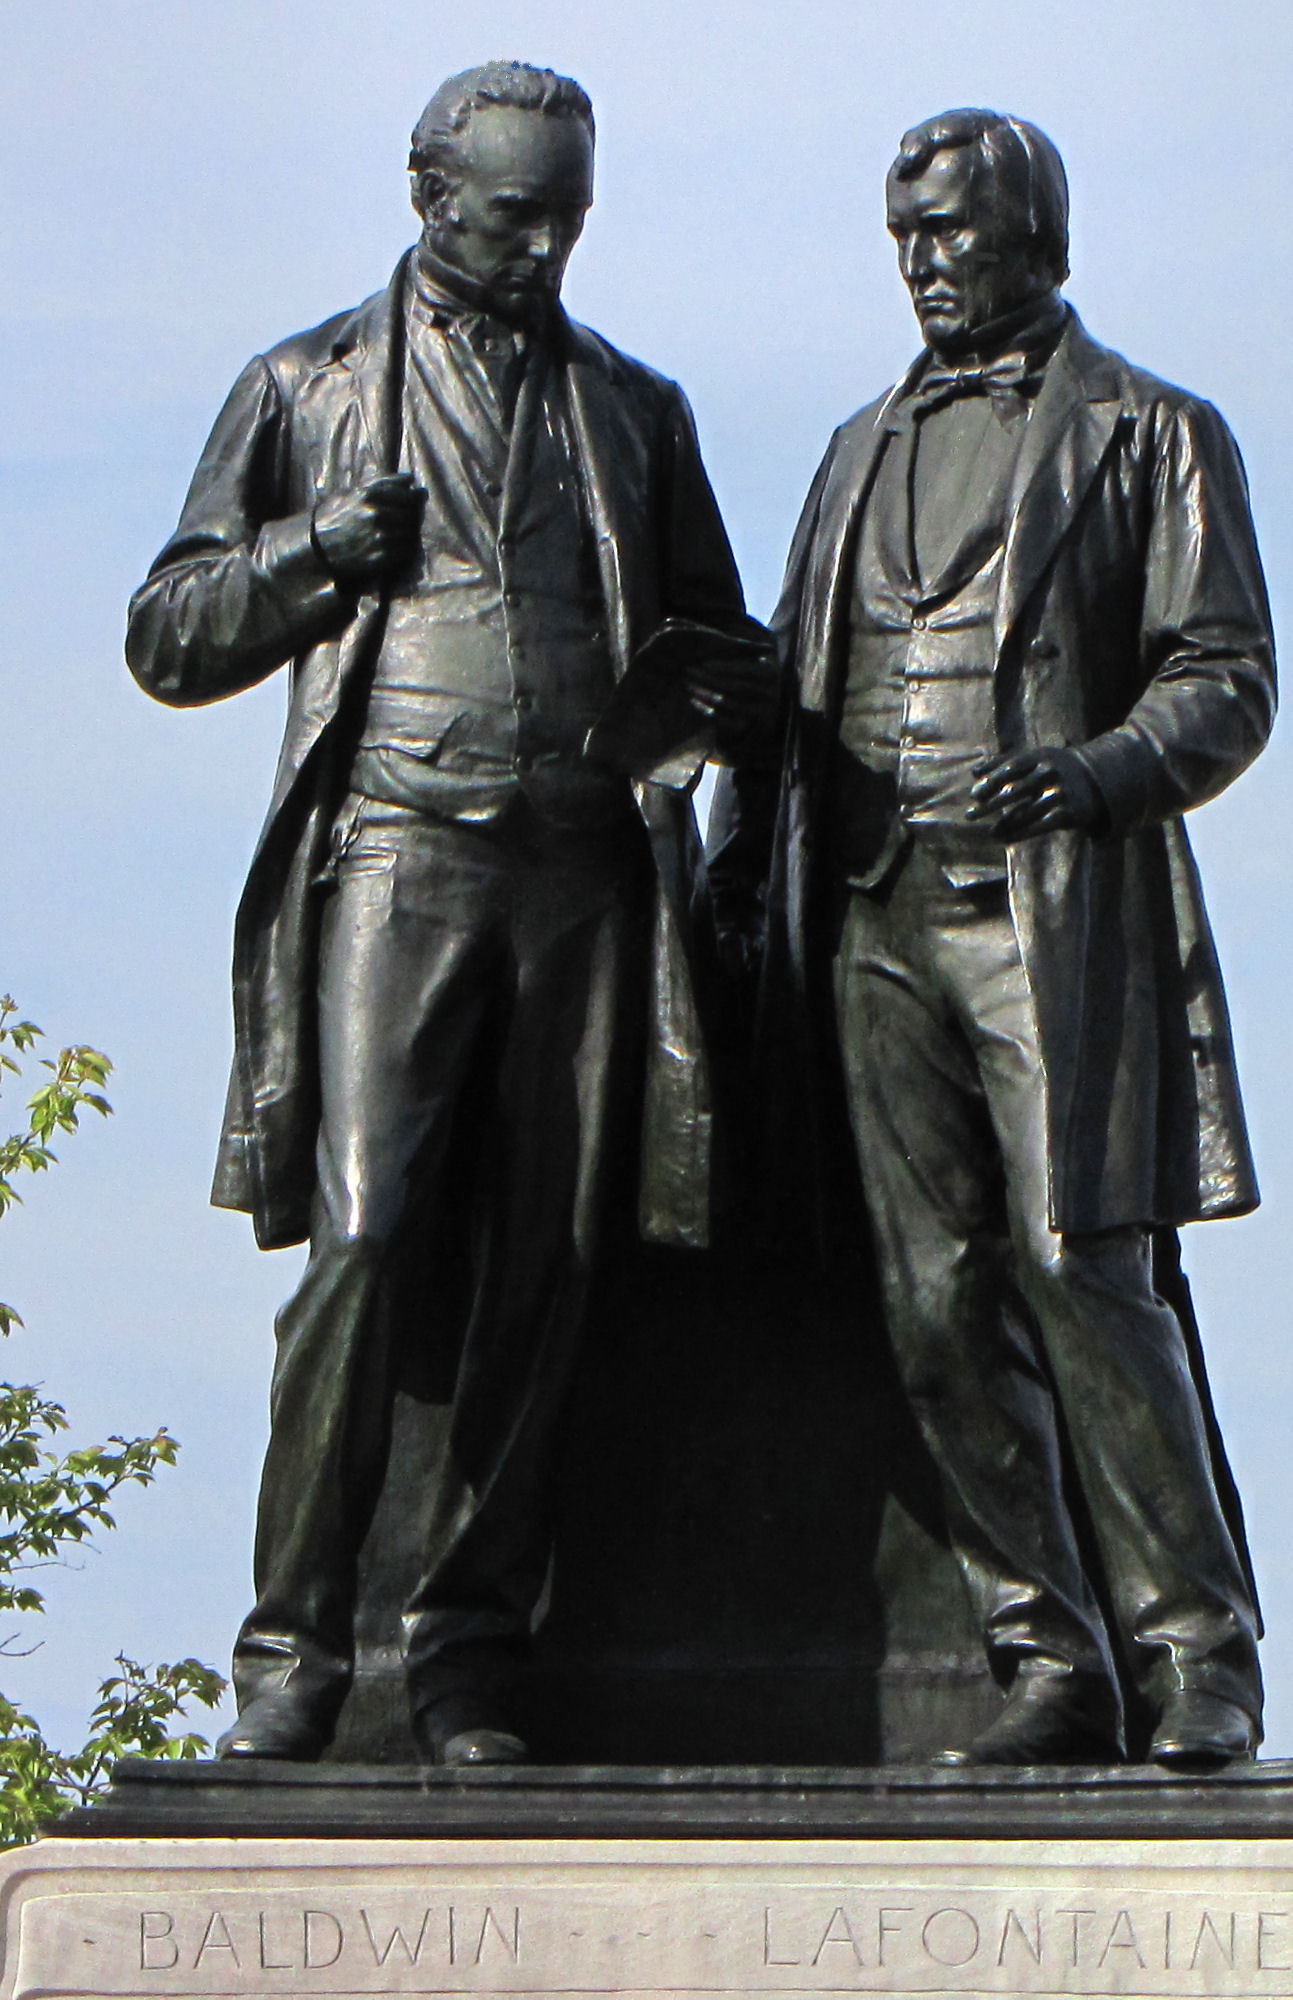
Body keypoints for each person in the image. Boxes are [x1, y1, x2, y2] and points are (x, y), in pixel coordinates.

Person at [128, 61, 768, 1765]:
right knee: (363, 1233)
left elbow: (722, 643)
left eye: (572, 216)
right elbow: (169, 630)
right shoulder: (306, 383)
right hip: (398, 857)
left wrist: (697, 710)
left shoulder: (635, 409)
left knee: (544, 1265)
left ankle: (467, 1655)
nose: (549, 248)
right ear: (430, 197)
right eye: (516, 216)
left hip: (578, 879)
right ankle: (293, 1652)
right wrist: (314, 556)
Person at [709, 108, 1273, 1766]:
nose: (927, 269)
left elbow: (1224, 676)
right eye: (905, 242)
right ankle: (1047, 1648)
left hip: (1042, 916)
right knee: (929, 1300)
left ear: (1039, 237)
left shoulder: (1150, 431)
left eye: (952, 235)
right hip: (869, 920)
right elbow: (809, 676)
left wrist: (1096, 773)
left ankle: (1198, 1654)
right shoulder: (853, 448)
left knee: (1086, 1272)